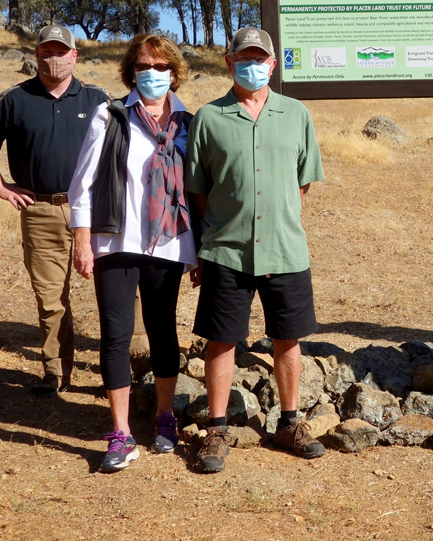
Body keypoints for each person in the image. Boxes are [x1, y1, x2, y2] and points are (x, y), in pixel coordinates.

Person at [184, 26, 326, 473]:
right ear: (229, 62)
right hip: (227, 251)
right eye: (243, 57)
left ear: (273, 62)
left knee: (287, 338)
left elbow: (302, 182)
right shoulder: (209, 117)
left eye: (260, 58)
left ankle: (289, 423)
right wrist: (223, 228)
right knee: (221, 341)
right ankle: (217, 430)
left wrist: (275, 216)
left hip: (285, 250)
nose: (253, 64)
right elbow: (199, 190)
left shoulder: (296, 113)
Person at [68, 34, 197, 473]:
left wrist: (197, 251)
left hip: (169, 243)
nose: (152, 74)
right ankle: (120, 433)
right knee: (116, 335)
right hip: (115, 242)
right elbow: (82, 183)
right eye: (144, 66)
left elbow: (198, 192)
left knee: (163, 330)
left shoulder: (189, 123)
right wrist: (82, 239)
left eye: (161, 67)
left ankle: (164, 416)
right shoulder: (110, 115)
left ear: (174, 73)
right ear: (131, 71)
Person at [0, 25, 112, 396]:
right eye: (46, 51)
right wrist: (1, 186)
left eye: (61, 51)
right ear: (36, 55)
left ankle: (132, 368)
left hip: (97, 212)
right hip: (41, 211)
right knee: (49, 297)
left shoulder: (99, 99)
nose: (54, 58)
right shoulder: (14, 98)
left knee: (119, 291)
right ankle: (56, 373)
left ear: (75, 56)